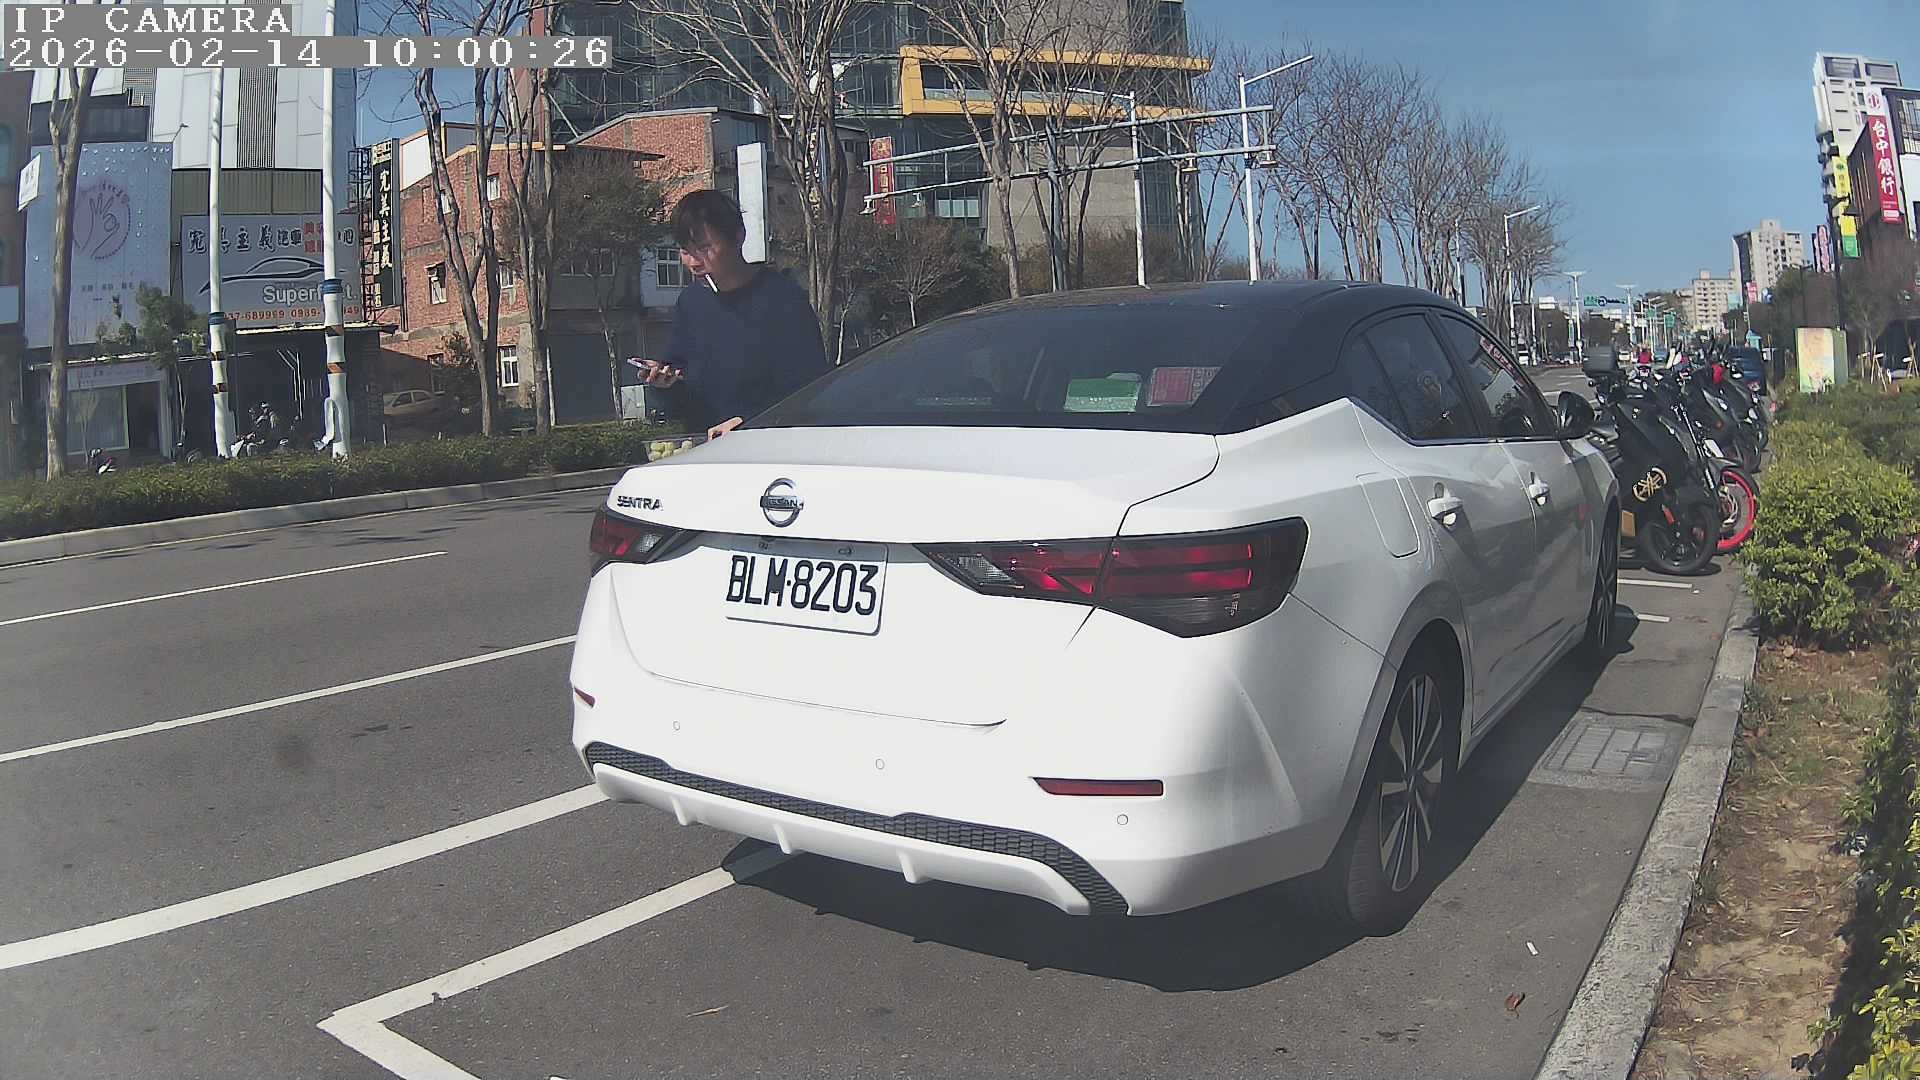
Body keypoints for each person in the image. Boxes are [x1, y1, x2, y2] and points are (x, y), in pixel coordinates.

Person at [638, 190, 830, 440]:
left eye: (704, 248)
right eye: (685, 251)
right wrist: (663, 383)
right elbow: (683, 392)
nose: (693, 262)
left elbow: (809, 389)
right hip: (707, 448)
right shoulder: (691, 302)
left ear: (738, 237)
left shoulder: (782, 299)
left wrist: (747, 420)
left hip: (768, 445)